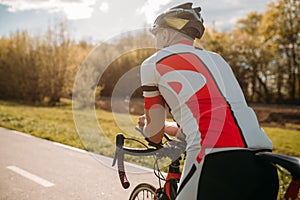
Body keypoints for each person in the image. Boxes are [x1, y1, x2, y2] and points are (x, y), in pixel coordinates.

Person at [138, 2, 279, 200]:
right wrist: (171, 127)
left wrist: (147, 127)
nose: (155, 43)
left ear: (166, 35)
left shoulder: (153, 63)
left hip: (214, 161)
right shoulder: (218, 60)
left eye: (156, 35)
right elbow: (214, 116)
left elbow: (154, 134)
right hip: (263, 165)